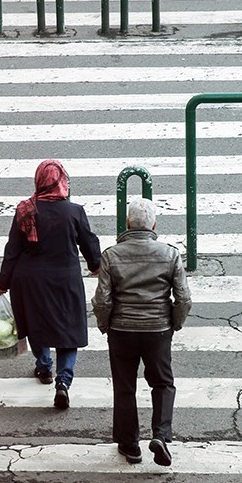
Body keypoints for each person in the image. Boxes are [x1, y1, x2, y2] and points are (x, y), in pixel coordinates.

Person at [91, 197, 192, 466]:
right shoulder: (170, 254)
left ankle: (130, 445)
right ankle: (160, 434)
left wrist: (105, 325)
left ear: (127, 223)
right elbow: (183, 298)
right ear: (154, 225)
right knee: (163, 383)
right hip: (157, 329)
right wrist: (174, 323)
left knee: (125, 386)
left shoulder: (111, 255)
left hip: (121, 329)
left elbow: (102, 300)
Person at [0, 159, 101, 410]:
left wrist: (2, 283)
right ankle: (63, 381)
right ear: (62, 182)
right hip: (66, 281)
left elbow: (12, 250)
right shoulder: (74, 212)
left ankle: (44, 367)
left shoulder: (25, 210)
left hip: (29, 281)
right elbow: (89, 244)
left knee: (36, 324)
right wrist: (96, 266)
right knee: (68, 331)